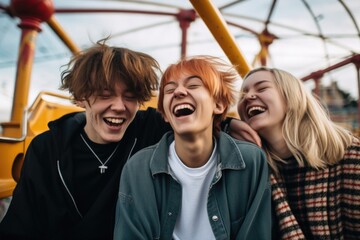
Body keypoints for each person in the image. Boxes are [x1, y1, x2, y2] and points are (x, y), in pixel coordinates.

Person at [0, 40, 258, 240]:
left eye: (130, 96)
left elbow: (190, 120)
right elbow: (21, 225)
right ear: (80, 98)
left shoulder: (148, 130)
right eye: (104, 95)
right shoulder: (47, 149)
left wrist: (225, 122)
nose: (119, 107)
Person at [114, 56, 272, 239]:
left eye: (193, 85)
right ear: (164, 114)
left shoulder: (250, 161)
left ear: (219, 105)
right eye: (170, 89)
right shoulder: (138, 169)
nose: (179, 92)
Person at [237, 66, 360, 239]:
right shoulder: (252, 166)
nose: (248, 96)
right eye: (243, 94)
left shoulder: (349, 155)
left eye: (262, 88)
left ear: (291, 98)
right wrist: (227, 125)